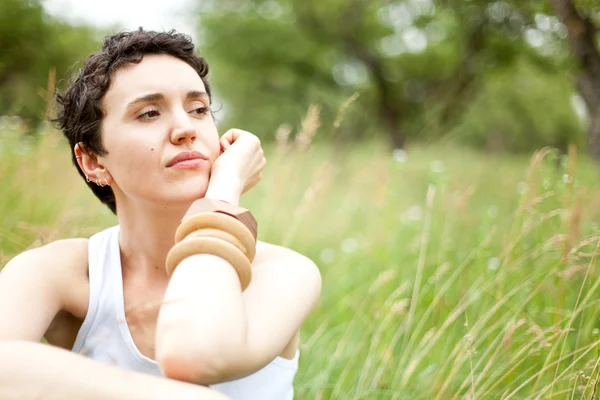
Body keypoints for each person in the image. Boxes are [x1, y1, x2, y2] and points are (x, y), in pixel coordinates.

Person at [0, 29, 322, 400]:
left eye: (198, 109)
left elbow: (195, 355)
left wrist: (224, 191)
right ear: (92, 160)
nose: (186, 129)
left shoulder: (282, 272)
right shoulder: (57, 273)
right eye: (149, 113)